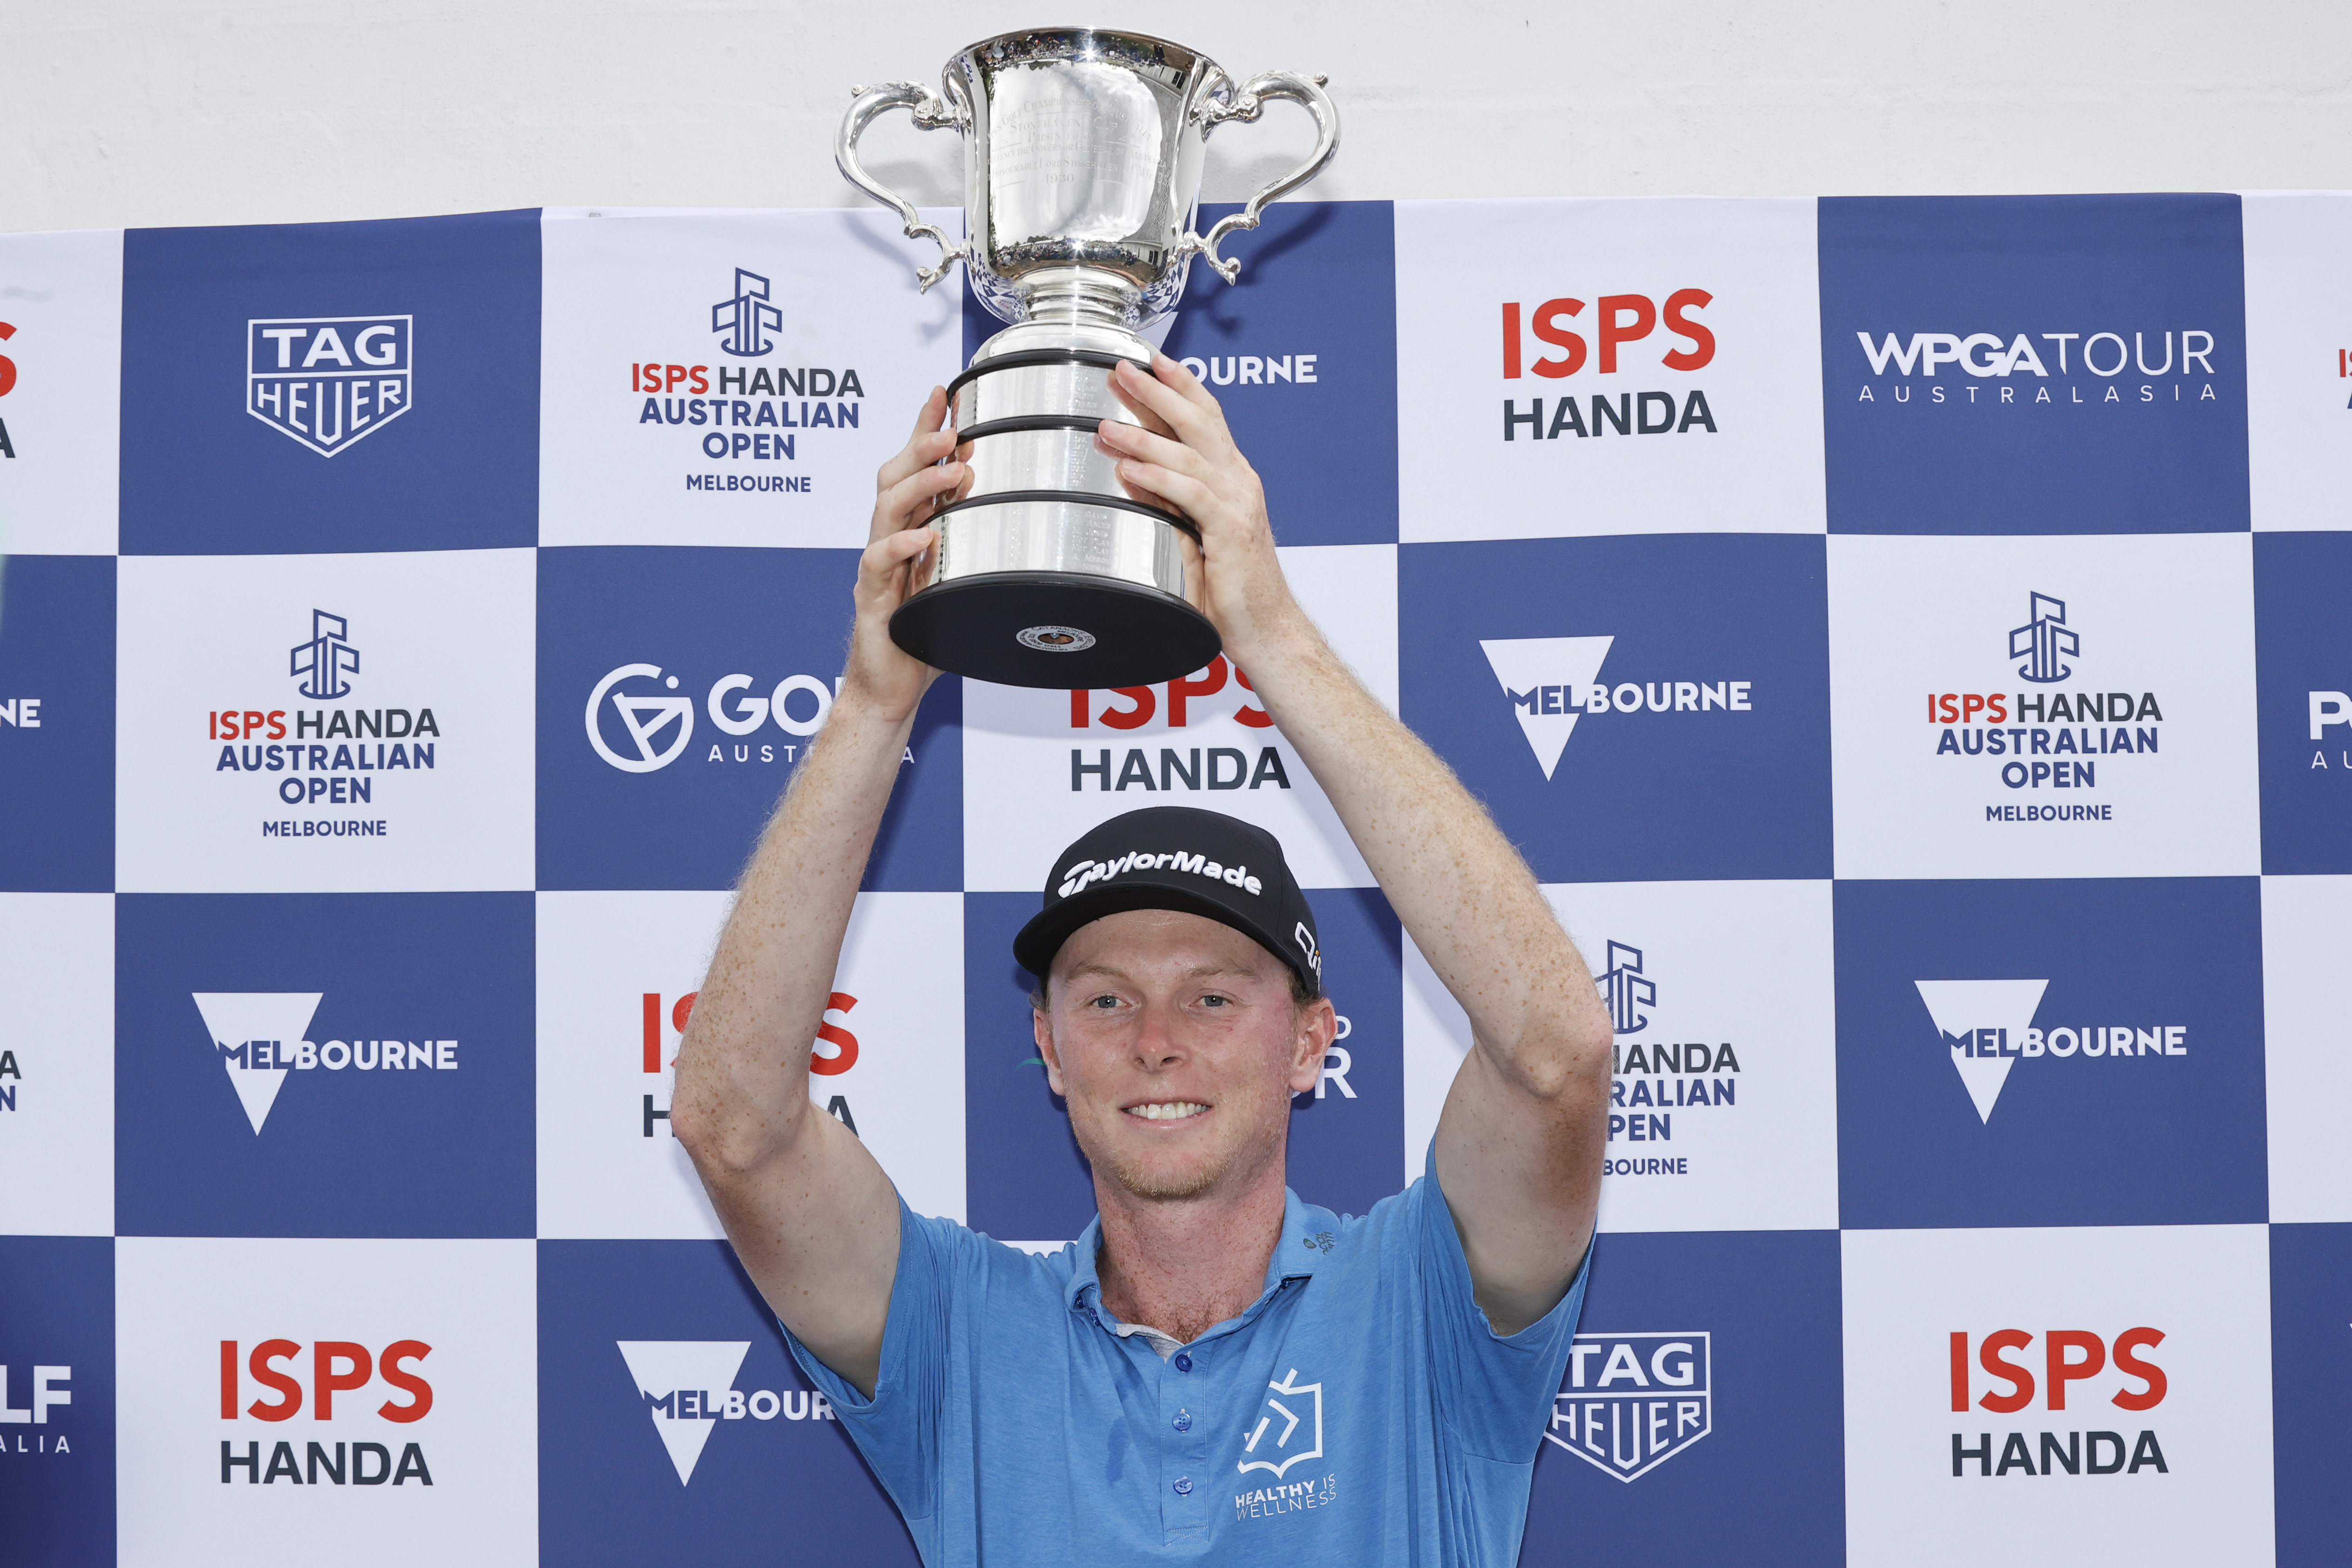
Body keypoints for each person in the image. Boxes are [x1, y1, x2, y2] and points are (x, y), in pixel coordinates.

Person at [670, 355, 1614, 1565]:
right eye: (1107, 998)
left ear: (1314, 1039)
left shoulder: (1427, 1298)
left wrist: (1265, 629)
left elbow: (1557, 1055)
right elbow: (732, 1124)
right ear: (1049, 1047)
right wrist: (870, 702)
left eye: (1214, 996)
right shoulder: (965, 1329)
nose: (1157, 1038)